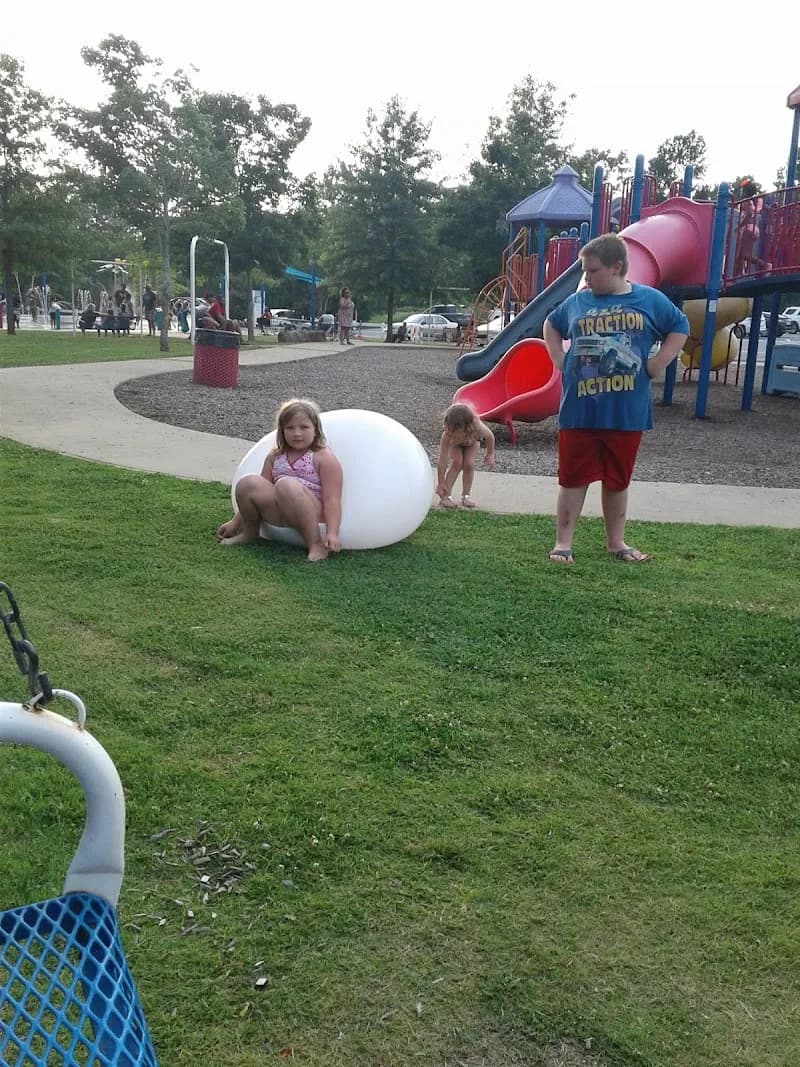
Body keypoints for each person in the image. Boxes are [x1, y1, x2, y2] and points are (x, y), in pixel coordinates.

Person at [542, 233, 689, 564]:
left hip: (626, 413)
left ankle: (616, 543)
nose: (587, 277)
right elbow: (551, 325)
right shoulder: (578, 302)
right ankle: (562, 543)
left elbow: (680, 326)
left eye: (593, 270)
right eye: (585, 271)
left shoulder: (649, 300)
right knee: (572, 478)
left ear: (617, 266)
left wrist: (657, 363)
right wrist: (558, 359)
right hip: (579, 411)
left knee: (617, 479)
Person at [216, 398, 343, 562]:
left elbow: (332, 499)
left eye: (304, 427)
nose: (297, 433)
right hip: (279, 512)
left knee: (285, 484)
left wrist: (332, 533)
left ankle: (315, 543)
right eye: (290, 428)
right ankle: (250, 533)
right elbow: (261, 488)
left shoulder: (323, 457)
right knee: (248, 483)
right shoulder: (275, 456)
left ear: (316, 430)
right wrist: (235, 522)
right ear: (281, 431)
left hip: (311, 513)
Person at [435, 403, 496, 509]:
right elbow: (442, 461)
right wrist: (441, 482)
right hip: (455, 444)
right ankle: (445, 496)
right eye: (448, 430)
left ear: (467, 427)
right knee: (457, 463)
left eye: (454, 432)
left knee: (469, 464)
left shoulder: (477, 427)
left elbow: (490, 436)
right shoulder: (448, 435)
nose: (449, 433)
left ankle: (466, 496)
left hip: (472, 442)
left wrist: (489, 454)